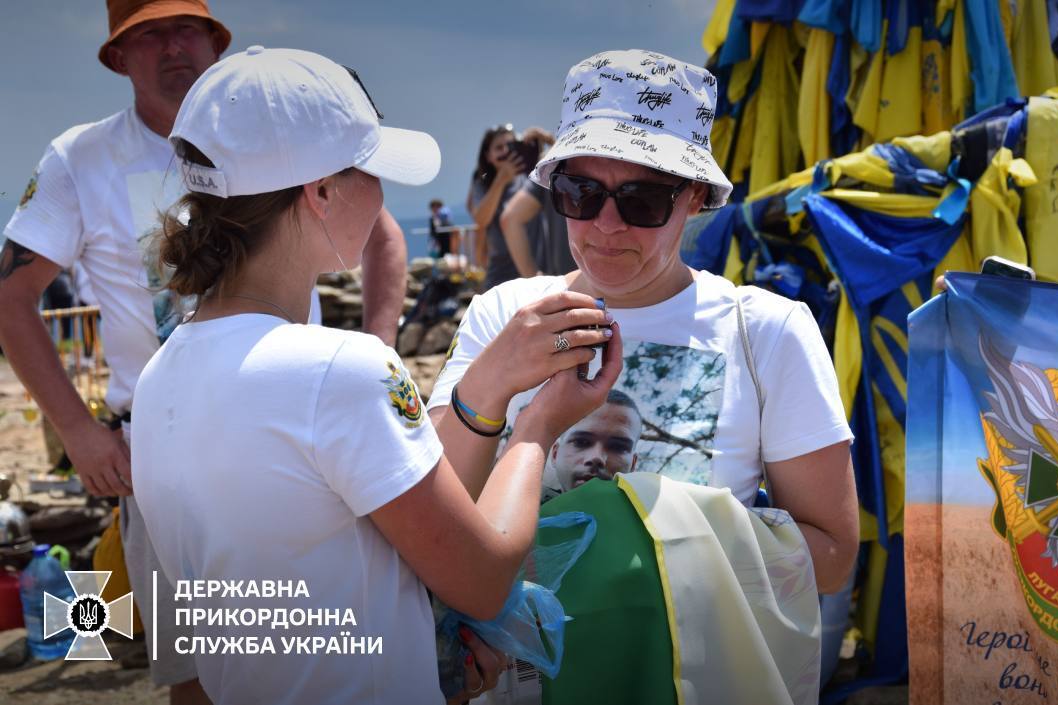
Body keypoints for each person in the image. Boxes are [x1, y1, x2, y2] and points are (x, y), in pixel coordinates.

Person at [129, 47, 622, 704]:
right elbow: (482, 579)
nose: (384, 195)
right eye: (371, 171)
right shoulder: (342, 368)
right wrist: (536, 425)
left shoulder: (162, 375)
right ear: (322, 192)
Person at [0, 2, 404, 699]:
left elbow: (382, 235)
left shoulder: (274, 130)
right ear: (118, 56)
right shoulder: (82, 157)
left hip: (304, 432)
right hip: (163, 453)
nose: (171, 46)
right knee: (200, 671)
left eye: (185, 27)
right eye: (148, 33)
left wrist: (381, 350)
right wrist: (78, 432)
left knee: (340, 641)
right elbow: (11, 296)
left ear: (215, 41)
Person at [432, 49, 859, 597]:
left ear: (696, 198)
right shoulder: (502, 314)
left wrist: (646, 549)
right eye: (580, 194)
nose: (606, 225)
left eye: (643, 199)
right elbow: (437, 524)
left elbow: (832, 556)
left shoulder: (768, 333)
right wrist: (492, 384)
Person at [466, 125, 549, 289]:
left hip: (535, 274)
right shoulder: (482, 184)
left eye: (511, 146)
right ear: (488, 156)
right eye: (498, 148)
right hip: (500, 278)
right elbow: (481, 220)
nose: (506, 151)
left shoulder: (532, 178)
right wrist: (501, 180)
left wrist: (549, 139)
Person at [499, 128, 577, 278]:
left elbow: (509, 219)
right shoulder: (627, 157)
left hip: (566, 285)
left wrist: (533, 280)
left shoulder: (552, 165)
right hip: (623, 285)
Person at [549, 389, 642, 493]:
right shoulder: (529, 504)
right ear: (555, 454)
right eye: (581, 442)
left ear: (633, 465)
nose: (596, 457)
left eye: (617, 447)